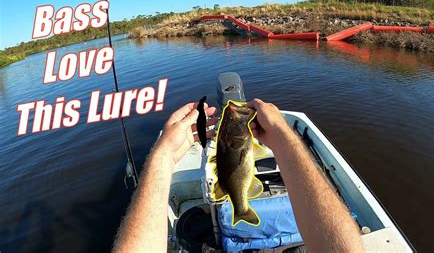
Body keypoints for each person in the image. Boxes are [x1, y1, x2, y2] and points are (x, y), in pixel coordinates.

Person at [113, 99, 364, 252]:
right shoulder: (238, 140)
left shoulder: (234, 141)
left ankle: (240, 207)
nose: (233, 118)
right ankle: (241, 207)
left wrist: (163, 154)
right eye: (230, 122)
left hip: (227, 165)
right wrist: (281, 134)